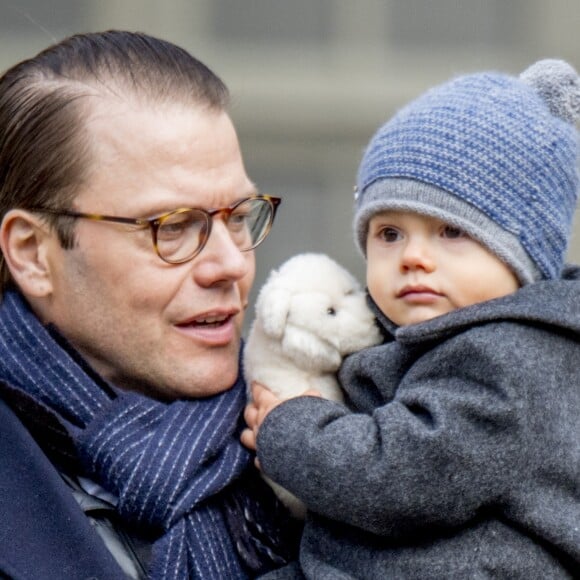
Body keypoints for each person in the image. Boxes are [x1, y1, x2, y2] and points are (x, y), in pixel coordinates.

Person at [242, 59, 580, 578]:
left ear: (523, 256)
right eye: (390, 233)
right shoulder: (434, 335)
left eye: (450, 231)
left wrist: (291, 428)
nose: (412, 257)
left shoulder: (510, 358)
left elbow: (401, 476)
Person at [0, 30, 299, 579]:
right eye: (174, 227)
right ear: (33, 254)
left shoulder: (338, 443)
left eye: (237, 216)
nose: (230, 264)